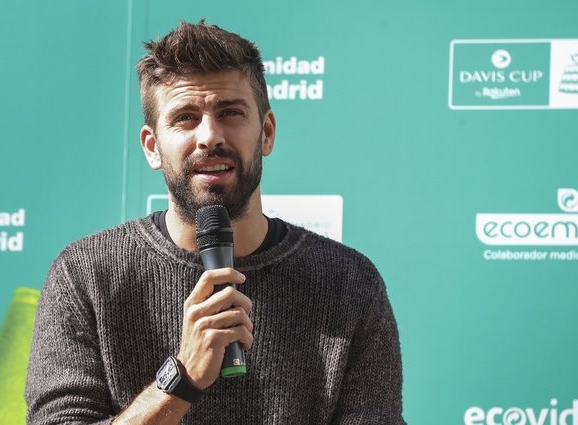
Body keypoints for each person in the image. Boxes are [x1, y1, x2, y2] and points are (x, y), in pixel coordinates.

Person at [26, 20, 405, 424]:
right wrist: (180, 379)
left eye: (230, 113)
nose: (210, 136)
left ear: (267, 133)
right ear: (152, 147)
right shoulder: (84, 275)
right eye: (186, 118)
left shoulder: (348, 283)